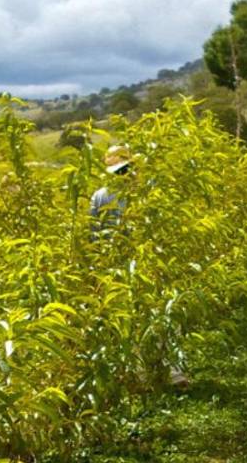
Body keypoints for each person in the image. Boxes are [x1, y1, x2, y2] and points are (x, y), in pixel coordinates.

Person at [90, 145, 189, 387]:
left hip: (129, 265)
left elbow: (94, 237)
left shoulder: (108, 195)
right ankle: (161, 374)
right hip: (135, 264)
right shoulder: (136, 192)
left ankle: (153, 374)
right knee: (150, 316)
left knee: (143, 319)